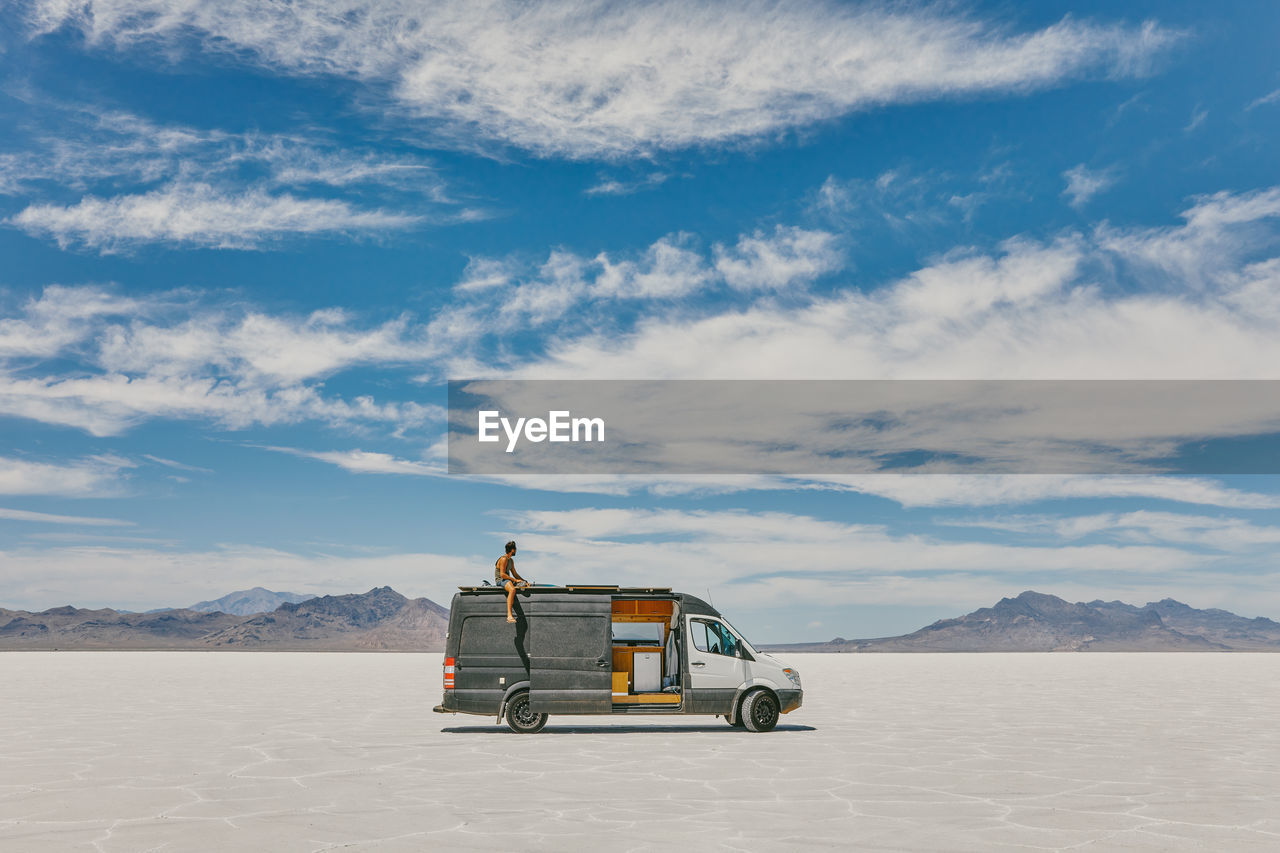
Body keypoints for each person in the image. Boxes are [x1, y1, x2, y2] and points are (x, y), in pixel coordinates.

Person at [495, 540, 530, 623]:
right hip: (501, 580)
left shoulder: (511, 561)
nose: (516, 551)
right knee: (512, 589)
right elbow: (502, 574)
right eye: (515, 549)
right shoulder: (503, 559)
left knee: (523, 584)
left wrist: (524, 580)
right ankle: (509, 615)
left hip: (508, 579)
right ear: (512, 550)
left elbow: (515, 574)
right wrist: (514, 580)